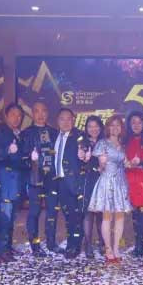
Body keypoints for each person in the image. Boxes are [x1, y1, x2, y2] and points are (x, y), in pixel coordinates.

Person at [89, 115, 132, 263]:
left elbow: (126, 164)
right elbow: (100, 167)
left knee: (120, 216)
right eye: (112, 125)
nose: (115, 128)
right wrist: (102, 164)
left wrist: (131, 163)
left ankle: (116, 248)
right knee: (107, 216)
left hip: (120, 182)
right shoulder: (102, 143)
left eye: (118, 125)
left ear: (121, 128)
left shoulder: (122, 144)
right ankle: (108, 249)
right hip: (107, 181)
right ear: (107, 128)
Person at [21, 101, 58, 257]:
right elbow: (21, 157)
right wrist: (30, 158)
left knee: (52, 212)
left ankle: (51, 243)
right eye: (37, 111)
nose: (40, 114)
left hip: (52, 178)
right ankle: (35, 245)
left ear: (47, 113)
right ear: (32, 114)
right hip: (34, 178)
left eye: (43, 111)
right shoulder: (26, 133)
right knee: (34, 212)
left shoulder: (55, 133)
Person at [0, 103, 25, 262]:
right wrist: (8, 150)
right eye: (13, 114)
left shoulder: (19, 133)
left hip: (17, 181)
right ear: (6, 116)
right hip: (5, 181)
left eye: (19, 115)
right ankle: (1, 251)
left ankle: (8, 247)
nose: (16, 118)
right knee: (5, 217)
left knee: (12, 217)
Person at [54, 108, 87, 259]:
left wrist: (84, 154)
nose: (66, 122)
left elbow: (85, 151)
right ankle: (71, 244)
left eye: (69, 119)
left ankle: (75, 246)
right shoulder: (55, 136)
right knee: (67, 215)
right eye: (62, 119)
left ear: (73, 120)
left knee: (75, 216)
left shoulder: (79, 136)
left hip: (74, 182)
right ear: (57, 121)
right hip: (59, 182)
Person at [124, 111, 143, 258]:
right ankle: (136, 241)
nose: (136, 125)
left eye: (139, 122)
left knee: (142, 212)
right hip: (129, 179)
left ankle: (140, 244)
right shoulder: (125, 140)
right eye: (133, 122)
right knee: (134, 213)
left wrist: (142, 162)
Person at [79, 115, 104, 258]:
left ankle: (102, 243)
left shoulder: (105, 142)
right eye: (90, 126)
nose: (93, 129)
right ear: (86, 128)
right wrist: (83, 158)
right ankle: (88, 244)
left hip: (102, 181)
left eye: (96, 126)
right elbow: (79, 162)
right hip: (87, 180)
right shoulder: (82, 143)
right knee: (88, 214)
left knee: (101, 214)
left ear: (100, 127)